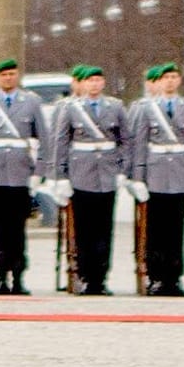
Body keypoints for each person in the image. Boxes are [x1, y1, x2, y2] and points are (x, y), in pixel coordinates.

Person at [0, 57, 47, 295]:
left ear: (17, 76)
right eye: (4, 75)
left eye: (12, 74)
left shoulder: (31, 102)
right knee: (0, 229)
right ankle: (1, 275)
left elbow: (44, 138)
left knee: (18, 229)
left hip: (21, 174)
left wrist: (38, 173)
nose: (8, 78)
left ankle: (19, 276)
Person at [49, 65, 128, 296]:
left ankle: (100, 277)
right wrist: (60, 176)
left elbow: (125, 140)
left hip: (106, 173)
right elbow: (61, 143)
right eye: (89, 81)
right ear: (82, 84)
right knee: (84, 230)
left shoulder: (115, 107)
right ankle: (84, 275)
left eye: (97, 80)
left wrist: (122, 169)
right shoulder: (71, 109)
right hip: (81, 174)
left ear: (103, 83)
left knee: (104, 229)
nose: (94, 84)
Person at [127, 61, 184, 296]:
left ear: (179, 81)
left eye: (173, 77)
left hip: (179, 170)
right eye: (166, 77)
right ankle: (156, 276)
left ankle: (174, 277)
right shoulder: (148, 108)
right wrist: (137, 176)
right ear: (159, 82)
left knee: (176, 227)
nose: (170, 81)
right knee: (156, 228)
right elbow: (138, 143)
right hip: (155, 171)